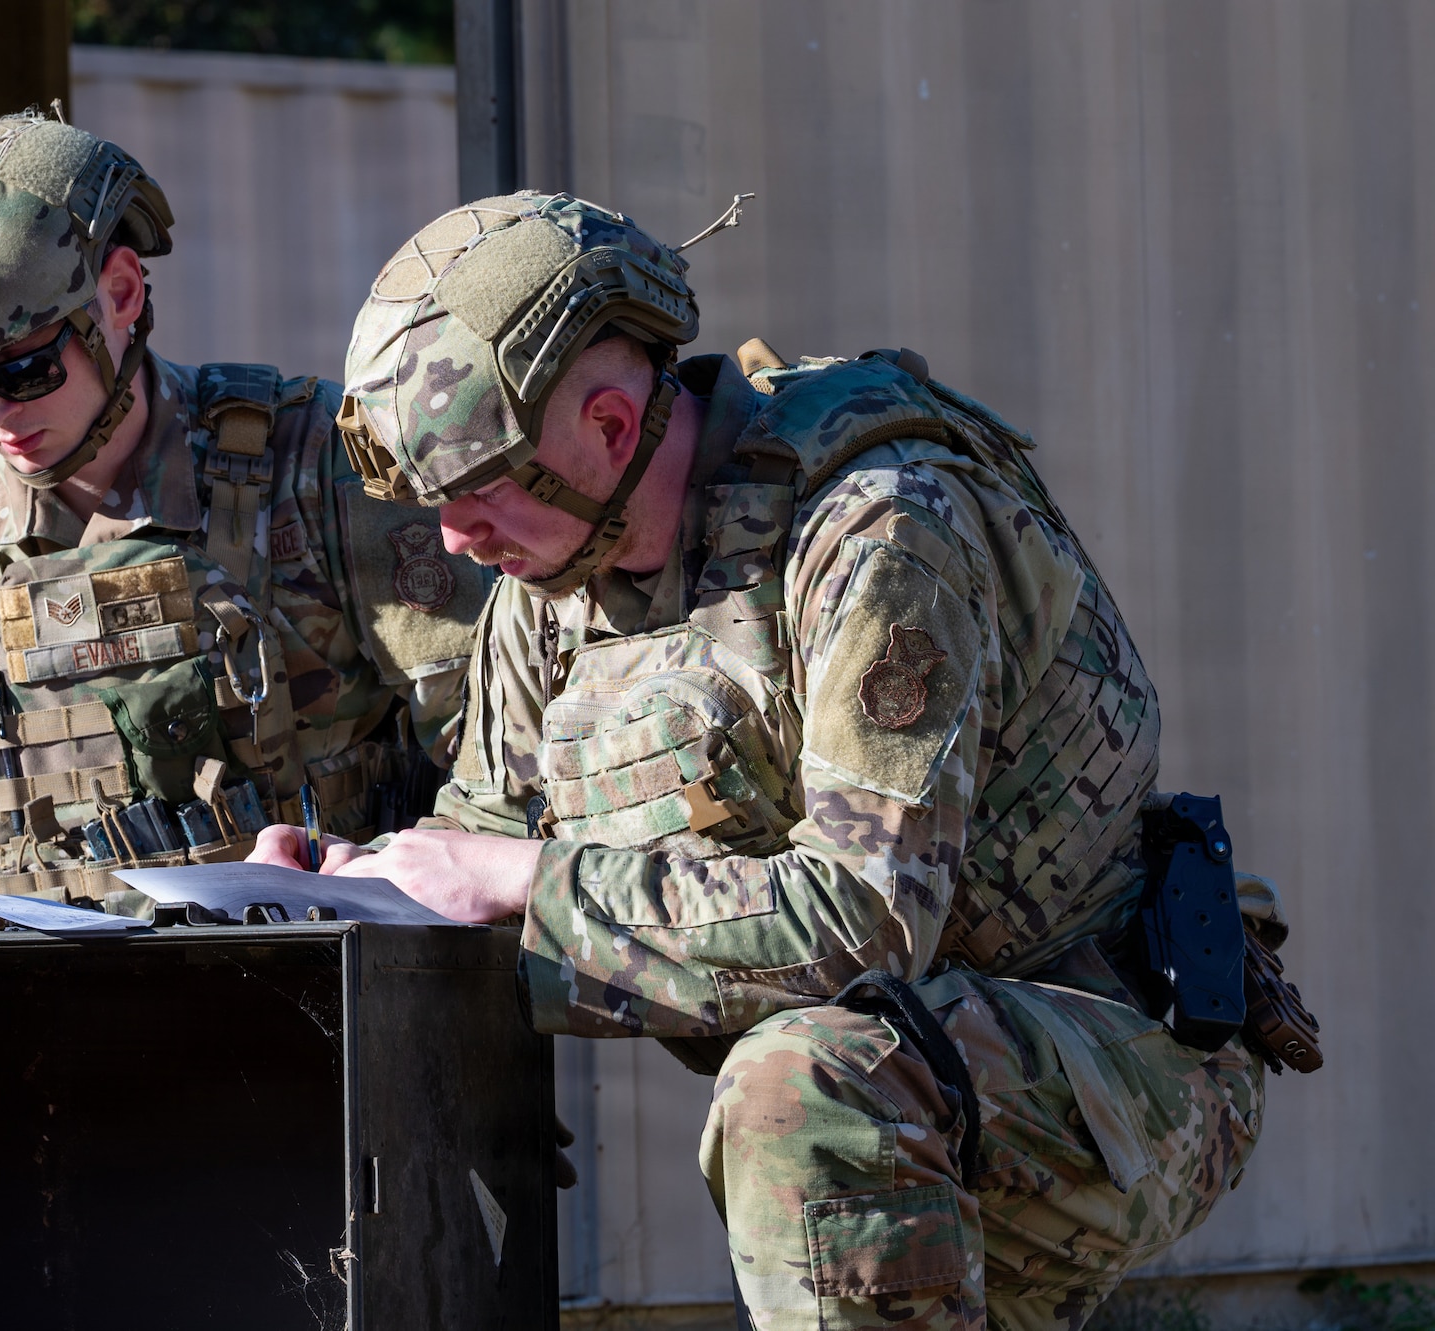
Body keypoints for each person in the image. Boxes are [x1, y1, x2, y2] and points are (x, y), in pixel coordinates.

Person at [253, 192, 1284, 1328]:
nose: (451, 539)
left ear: (605, 424)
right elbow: (472, 858)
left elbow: (864, 919)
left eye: (472, 488)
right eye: (423, 500)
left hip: (1117, 1054)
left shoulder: (877, 533)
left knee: (800, 1086)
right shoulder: (542, 592)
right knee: (808, 1077)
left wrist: (526, 882)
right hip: (905, 1077)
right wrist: (350, 886)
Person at [0, 108, 491, 936]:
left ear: (122, 295)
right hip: (31, 1029)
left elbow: (502, 768)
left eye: (24, 368)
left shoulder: (314, 467)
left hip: (319, 1010)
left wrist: (375, 866)